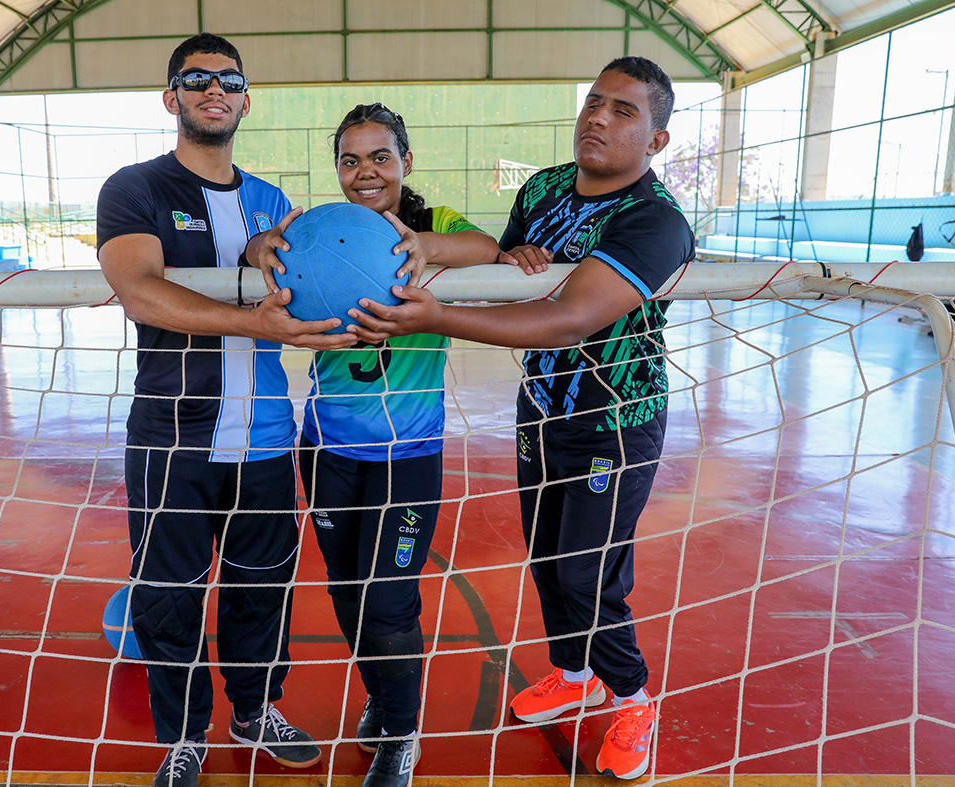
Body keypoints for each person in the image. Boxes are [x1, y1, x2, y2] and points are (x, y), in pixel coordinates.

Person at [346, 57, 695, 781]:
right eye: (593, 102)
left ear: (656, 141)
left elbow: (568, 317)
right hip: (540, 409)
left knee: (585, 571)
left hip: (616, 419)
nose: (597, 117)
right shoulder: (541, 188)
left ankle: (631, 697)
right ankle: (574, 674)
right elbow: (507, 279)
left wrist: (435, 315)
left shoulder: (653, 221)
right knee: (545, 559)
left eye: (623, 111)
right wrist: (512, 257)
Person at [251, 102, 547, 787]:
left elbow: (483, 250)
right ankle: (384, 703)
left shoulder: (434, 222)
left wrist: (419, 246)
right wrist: (256, 247)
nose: (364, 173)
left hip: (407, 454)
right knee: (350, 593)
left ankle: (400, 737)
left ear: (405, 161)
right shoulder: (321, 229)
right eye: (349, 160)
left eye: (379, 157)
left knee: (389, 596)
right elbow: (261, 248)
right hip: (325, 448)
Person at [95, 33, 356, 787]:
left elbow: (303, 278)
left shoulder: (272, 203)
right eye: (196, 78)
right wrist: (254, 320)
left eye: (229, 79)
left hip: (267, 439)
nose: (215, 89)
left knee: (260, 590)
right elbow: (140, 289)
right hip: (173, 437)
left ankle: (253, 706)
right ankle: (183, 734)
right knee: (169, 598)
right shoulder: (135, 188)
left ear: (246, 97)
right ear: (170, 95)